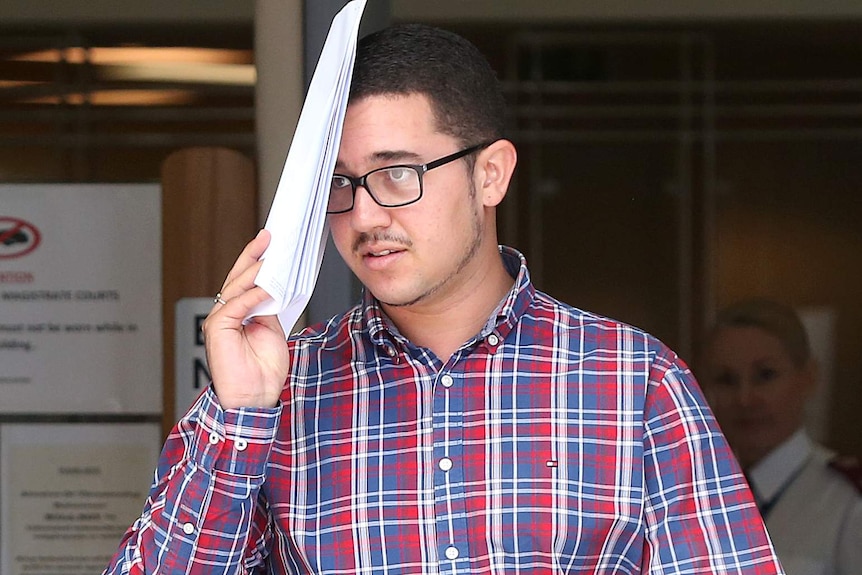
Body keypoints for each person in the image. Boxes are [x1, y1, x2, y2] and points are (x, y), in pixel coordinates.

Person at [104, 24, 783, 574]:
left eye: (397, 174)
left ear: (490, 175)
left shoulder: (636, 381)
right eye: (340, 184)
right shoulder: (279, 391)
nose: (365, 216)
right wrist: (242, 413)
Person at [698, 298, 862, 575]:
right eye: (726, 379)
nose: (745, 399)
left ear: (808, 376)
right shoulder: (698, 496)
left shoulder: (848, 505)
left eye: (766, 375)